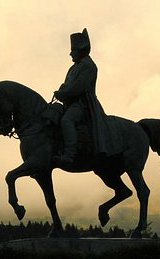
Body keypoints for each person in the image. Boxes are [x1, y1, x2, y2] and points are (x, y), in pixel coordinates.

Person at [53, 28, 110, 166]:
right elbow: (68, 85)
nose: (70, 53)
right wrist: (62, 90)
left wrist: (64, 93)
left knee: (67, 120)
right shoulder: (73, 68)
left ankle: (69, 155)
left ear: (80, 51)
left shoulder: (89, 66)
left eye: (73, 50)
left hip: (83, 104)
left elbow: (78, 87)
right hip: (70, 103)